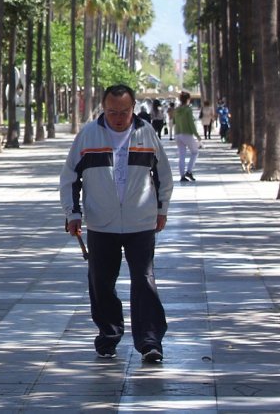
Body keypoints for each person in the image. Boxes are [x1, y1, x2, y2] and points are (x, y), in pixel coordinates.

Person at [59, 84, 173, 363]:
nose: (119, 118)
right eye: (112, 112)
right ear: (103, 108)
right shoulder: (88, 136)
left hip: (140, 221)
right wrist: (73, 213)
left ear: (133, 108)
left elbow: (163, 175)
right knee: (101, 283)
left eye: (124, 111)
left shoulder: (146, 133)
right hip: (101, 224)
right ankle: (108, 335)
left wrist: (162, 209)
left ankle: (150, 341)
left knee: (144, 281)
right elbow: (69, 178)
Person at [172, 91, 201, 183]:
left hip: (177, 133)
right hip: (186, 133)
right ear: (188, 99)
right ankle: (189, 171)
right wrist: (197, 135)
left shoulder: (176, 110)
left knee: (182, 155)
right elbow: (191, 124)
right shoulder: (188, 110)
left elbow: (174, 122)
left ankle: (182, 175)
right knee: (195, 152)